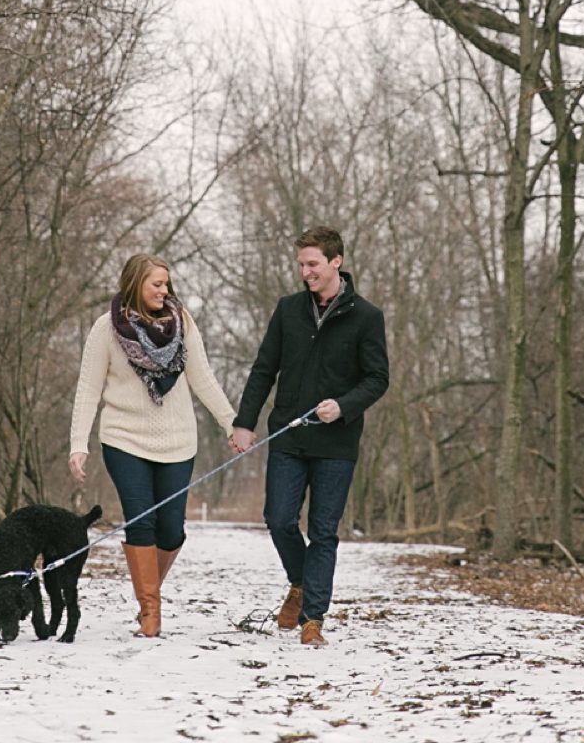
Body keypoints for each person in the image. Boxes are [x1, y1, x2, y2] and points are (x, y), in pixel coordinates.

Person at [228, 226, 389, 647]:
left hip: (337, 442)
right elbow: (265, 369)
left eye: (312, 264)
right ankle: (299, 583)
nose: (305, 272)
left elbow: (377, 378)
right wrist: (244, 422)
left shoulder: (367, 317)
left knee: (322, 530)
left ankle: (312, 618)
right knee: (278, 519)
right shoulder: (288, 310)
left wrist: (345, 405)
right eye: (301, 264)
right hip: (288, 434)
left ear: (336, 261)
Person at [68, 252, 237, 638]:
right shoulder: (106, 329)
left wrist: (232, 424)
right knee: (140, 522)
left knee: (172, 530)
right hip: (123, 439)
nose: (165, 290)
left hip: (178, 441)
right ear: (135, 285)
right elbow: (88, 389)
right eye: (156, 284)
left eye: (166, 283)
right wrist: (79, 443)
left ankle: (149, 593)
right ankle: (150, 612)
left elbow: (204, 379)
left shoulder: (183, 326)